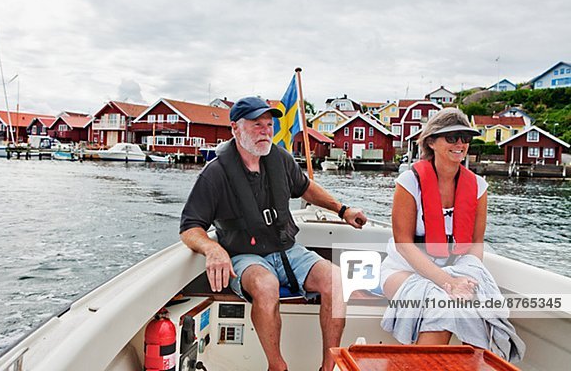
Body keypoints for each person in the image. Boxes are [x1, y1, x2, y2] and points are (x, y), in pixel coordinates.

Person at [180, 96, 367, 371]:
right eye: (257, 124)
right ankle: (277, 366)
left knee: (337, 281)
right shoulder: (216, 173)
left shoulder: (279, 159)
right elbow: (190, 227)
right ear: (235, 128)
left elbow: (305, 187)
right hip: (245, 255)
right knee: (266, 287)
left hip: (287, 249)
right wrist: (213, 249)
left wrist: (343, 210)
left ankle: (328, 367)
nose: (266, 130)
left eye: (268, 124)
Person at [379, 108, 525, 361]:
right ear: (431, 142)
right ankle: (421, 366)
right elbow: (404, 244)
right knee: (443, 305)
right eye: (452, 137)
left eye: (465, 138)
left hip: (456, 269)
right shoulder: (409, 182)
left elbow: (476, 245)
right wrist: (448, 283)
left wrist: (465, 277)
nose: (460, 144)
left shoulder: (478, 187)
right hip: (404, 270)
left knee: (475, 305)